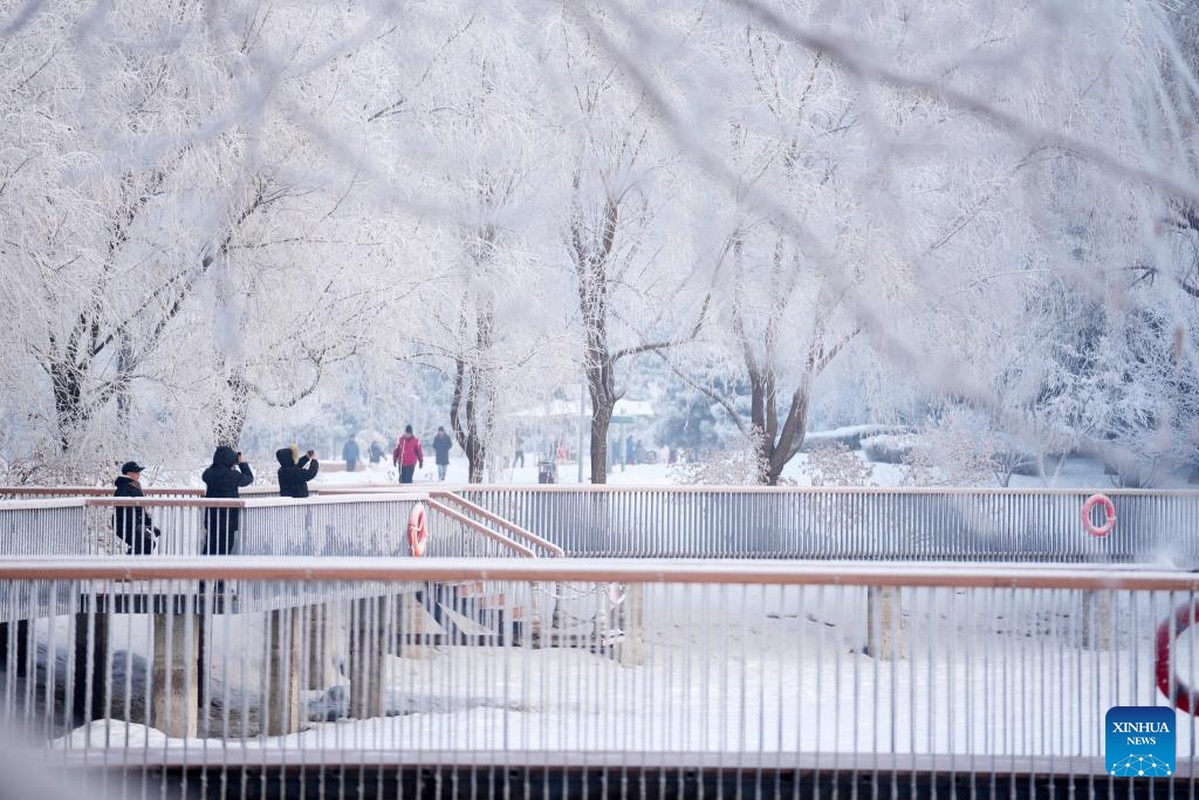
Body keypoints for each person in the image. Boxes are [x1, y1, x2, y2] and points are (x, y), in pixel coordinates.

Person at [201, 445, 254, 555]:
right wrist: (242, 463)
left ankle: (204, 570)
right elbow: (249, 478)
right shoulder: (233, 476)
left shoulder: (209, 474)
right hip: (228, 519)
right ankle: (220, 570)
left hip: (212, 518)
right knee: (224, 549)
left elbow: (208, 472)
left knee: (209, 547)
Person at [112, 461, 159, 555]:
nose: (139, 475)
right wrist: (138, 526)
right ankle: (131, 567)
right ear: (129, 473)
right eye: (136, 472)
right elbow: (126, 511)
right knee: (146, 544)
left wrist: (150, 524)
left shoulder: (132, 486)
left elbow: (140, 510)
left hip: (131, 524)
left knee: (146, 544)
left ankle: (132, 566)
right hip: (124, 525)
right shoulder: (124, 487)